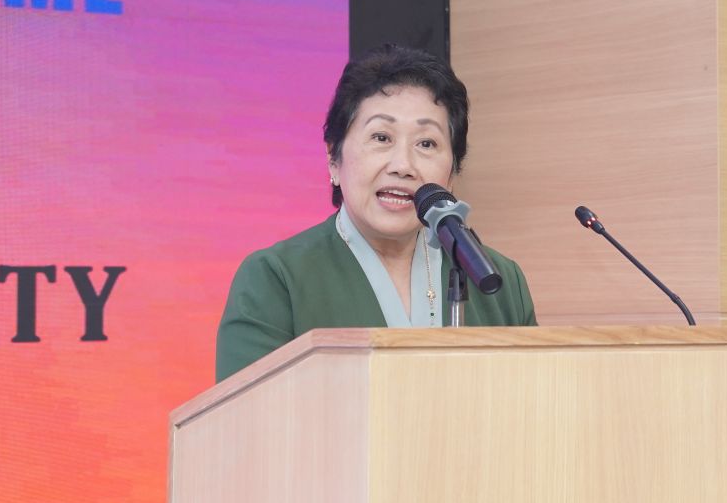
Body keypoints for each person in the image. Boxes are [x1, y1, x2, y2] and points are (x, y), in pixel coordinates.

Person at [215, 44, 535, 381]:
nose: (403, 165)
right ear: (333, 158)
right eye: (382, 137)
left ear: (452, 172)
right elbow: (247, 413)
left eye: (426, 143)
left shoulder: (497, 279)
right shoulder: (274, 279)